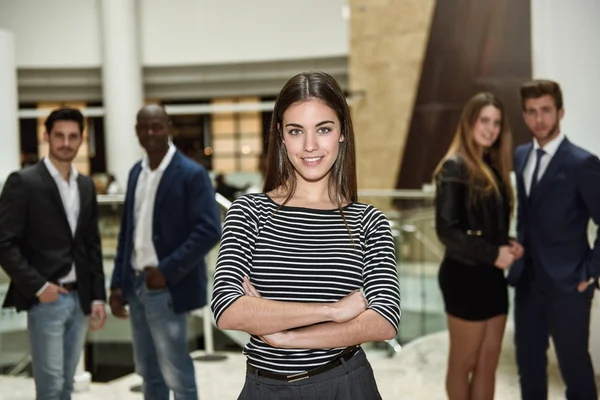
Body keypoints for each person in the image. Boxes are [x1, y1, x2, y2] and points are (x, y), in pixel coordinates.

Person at [210, 71, 401, 399]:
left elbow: (384, 319)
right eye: (296, 131)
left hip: (344, 384)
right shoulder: (250, 212)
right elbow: (226, 308)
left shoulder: (369, 222)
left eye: (323, 129)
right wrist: (330, 312)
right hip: (264, 388)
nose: (310, 146)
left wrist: (286, 336)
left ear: (342, 133)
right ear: (281, 137)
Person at [108, 104, 222, 400]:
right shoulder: (136, 172)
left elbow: (209, 230)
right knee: (148, 373)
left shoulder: (191, 173)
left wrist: (166, 271)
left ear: (169, 127)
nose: (150, 133)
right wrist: (117, 283)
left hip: (167, 288)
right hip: (135, 285)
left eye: (157, 126)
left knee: (177, 373)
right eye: (144, 127)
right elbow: (127, 234)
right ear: (136, 132)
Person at [0, 108, 107, 400]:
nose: (66, 143)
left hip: (81, 299)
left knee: (66, 385)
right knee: (50, 389)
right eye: (59, 135)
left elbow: (91, 245)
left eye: (73, 136)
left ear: (82, 139)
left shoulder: (85, 185)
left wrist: (98, 296)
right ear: (46, 136)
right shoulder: (23, 181)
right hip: (47, 299)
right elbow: (4, 244)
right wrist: (38, 286)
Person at [507, 80, 600, 400]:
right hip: (528, 283)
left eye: (546, 110)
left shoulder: (582, 163)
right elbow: (527, 214)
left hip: (569, 286)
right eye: (531, 112)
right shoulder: (520, 157)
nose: (539, 119)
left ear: (560, 111)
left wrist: (589, 272)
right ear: (524, 116)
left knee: (575, 371)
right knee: (528, 368)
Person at [433, 92, 523, 400]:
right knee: (464, 361)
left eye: (497, 123)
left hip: (491, 277)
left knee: (488, 362)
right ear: (470, 122)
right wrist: (494, 252)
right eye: (484, 120)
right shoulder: (454, 166)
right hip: (464, 276)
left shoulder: (493, 167)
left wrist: (507, 244)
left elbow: (485, 226)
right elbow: (447, 230)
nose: (491, 128)